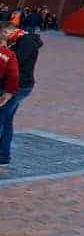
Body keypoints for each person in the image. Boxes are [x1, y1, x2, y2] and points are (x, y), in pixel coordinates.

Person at [0, 23, 38, 169]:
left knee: (2, 118)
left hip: (18, 86)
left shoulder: (25, 42)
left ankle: (3, 155)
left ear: (7, 32)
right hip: (21, 85)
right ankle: (3, 155)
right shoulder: (22, 40)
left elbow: (12, 65)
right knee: (7, 119)